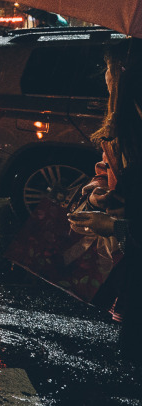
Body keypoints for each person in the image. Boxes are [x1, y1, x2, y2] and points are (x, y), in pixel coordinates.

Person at [69, 42, 138, 369]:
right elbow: (104, 170)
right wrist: (96, 193)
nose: (105, 78)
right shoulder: (125, 126)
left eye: (109, 70)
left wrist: (113, 226)